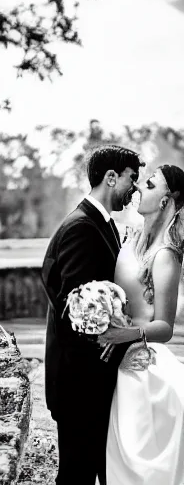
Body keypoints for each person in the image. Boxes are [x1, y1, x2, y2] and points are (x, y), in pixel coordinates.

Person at [41, 145, 145, 485]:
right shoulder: (81, 228)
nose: (136, 187)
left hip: (92, 380)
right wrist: (109, 352)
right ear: (111, 177)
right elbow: (76, 310)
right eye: (132, 178)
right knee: (77, 475)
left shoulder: (103, 225)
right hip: (80, 382)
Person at [98, 164, 184, 485]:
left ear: (165, 200)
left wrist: (123, 334)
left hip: (142, 363)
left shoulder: (166, 255)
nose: (138, 190)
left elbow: (164, 326)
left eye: (148, 185)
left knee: (139, 465)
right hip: (115, 359)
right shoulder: (130, 238)